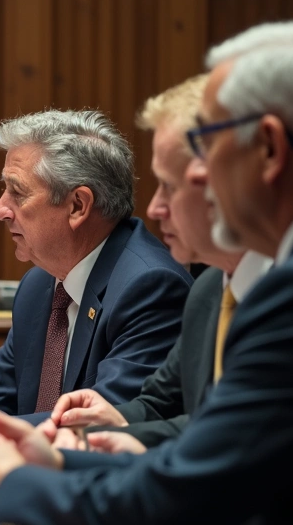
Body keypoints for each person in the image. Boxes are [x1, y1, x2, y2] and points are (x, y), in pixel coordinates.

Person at [0, 22, 293, 525]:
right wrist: (62, 453)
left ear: (268, 148)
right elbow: (203, 431)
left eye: (208, 145)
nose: (196, 177)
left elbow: (178, 505)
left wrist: (10, 487)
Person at [0, 110, 192, 449]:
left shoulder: (151, 286)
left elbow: (106, 420)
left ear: (78, 205)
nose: (0, 209)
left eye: (17, 193)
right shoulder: (39, 285)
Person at [46, 76, 273, 452]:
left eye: (170, 186)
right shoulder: (209, 288)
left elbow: (233, 431)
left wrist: (77, 447)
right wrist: (115, 419)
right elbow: (158, 403)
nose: (154, 209)